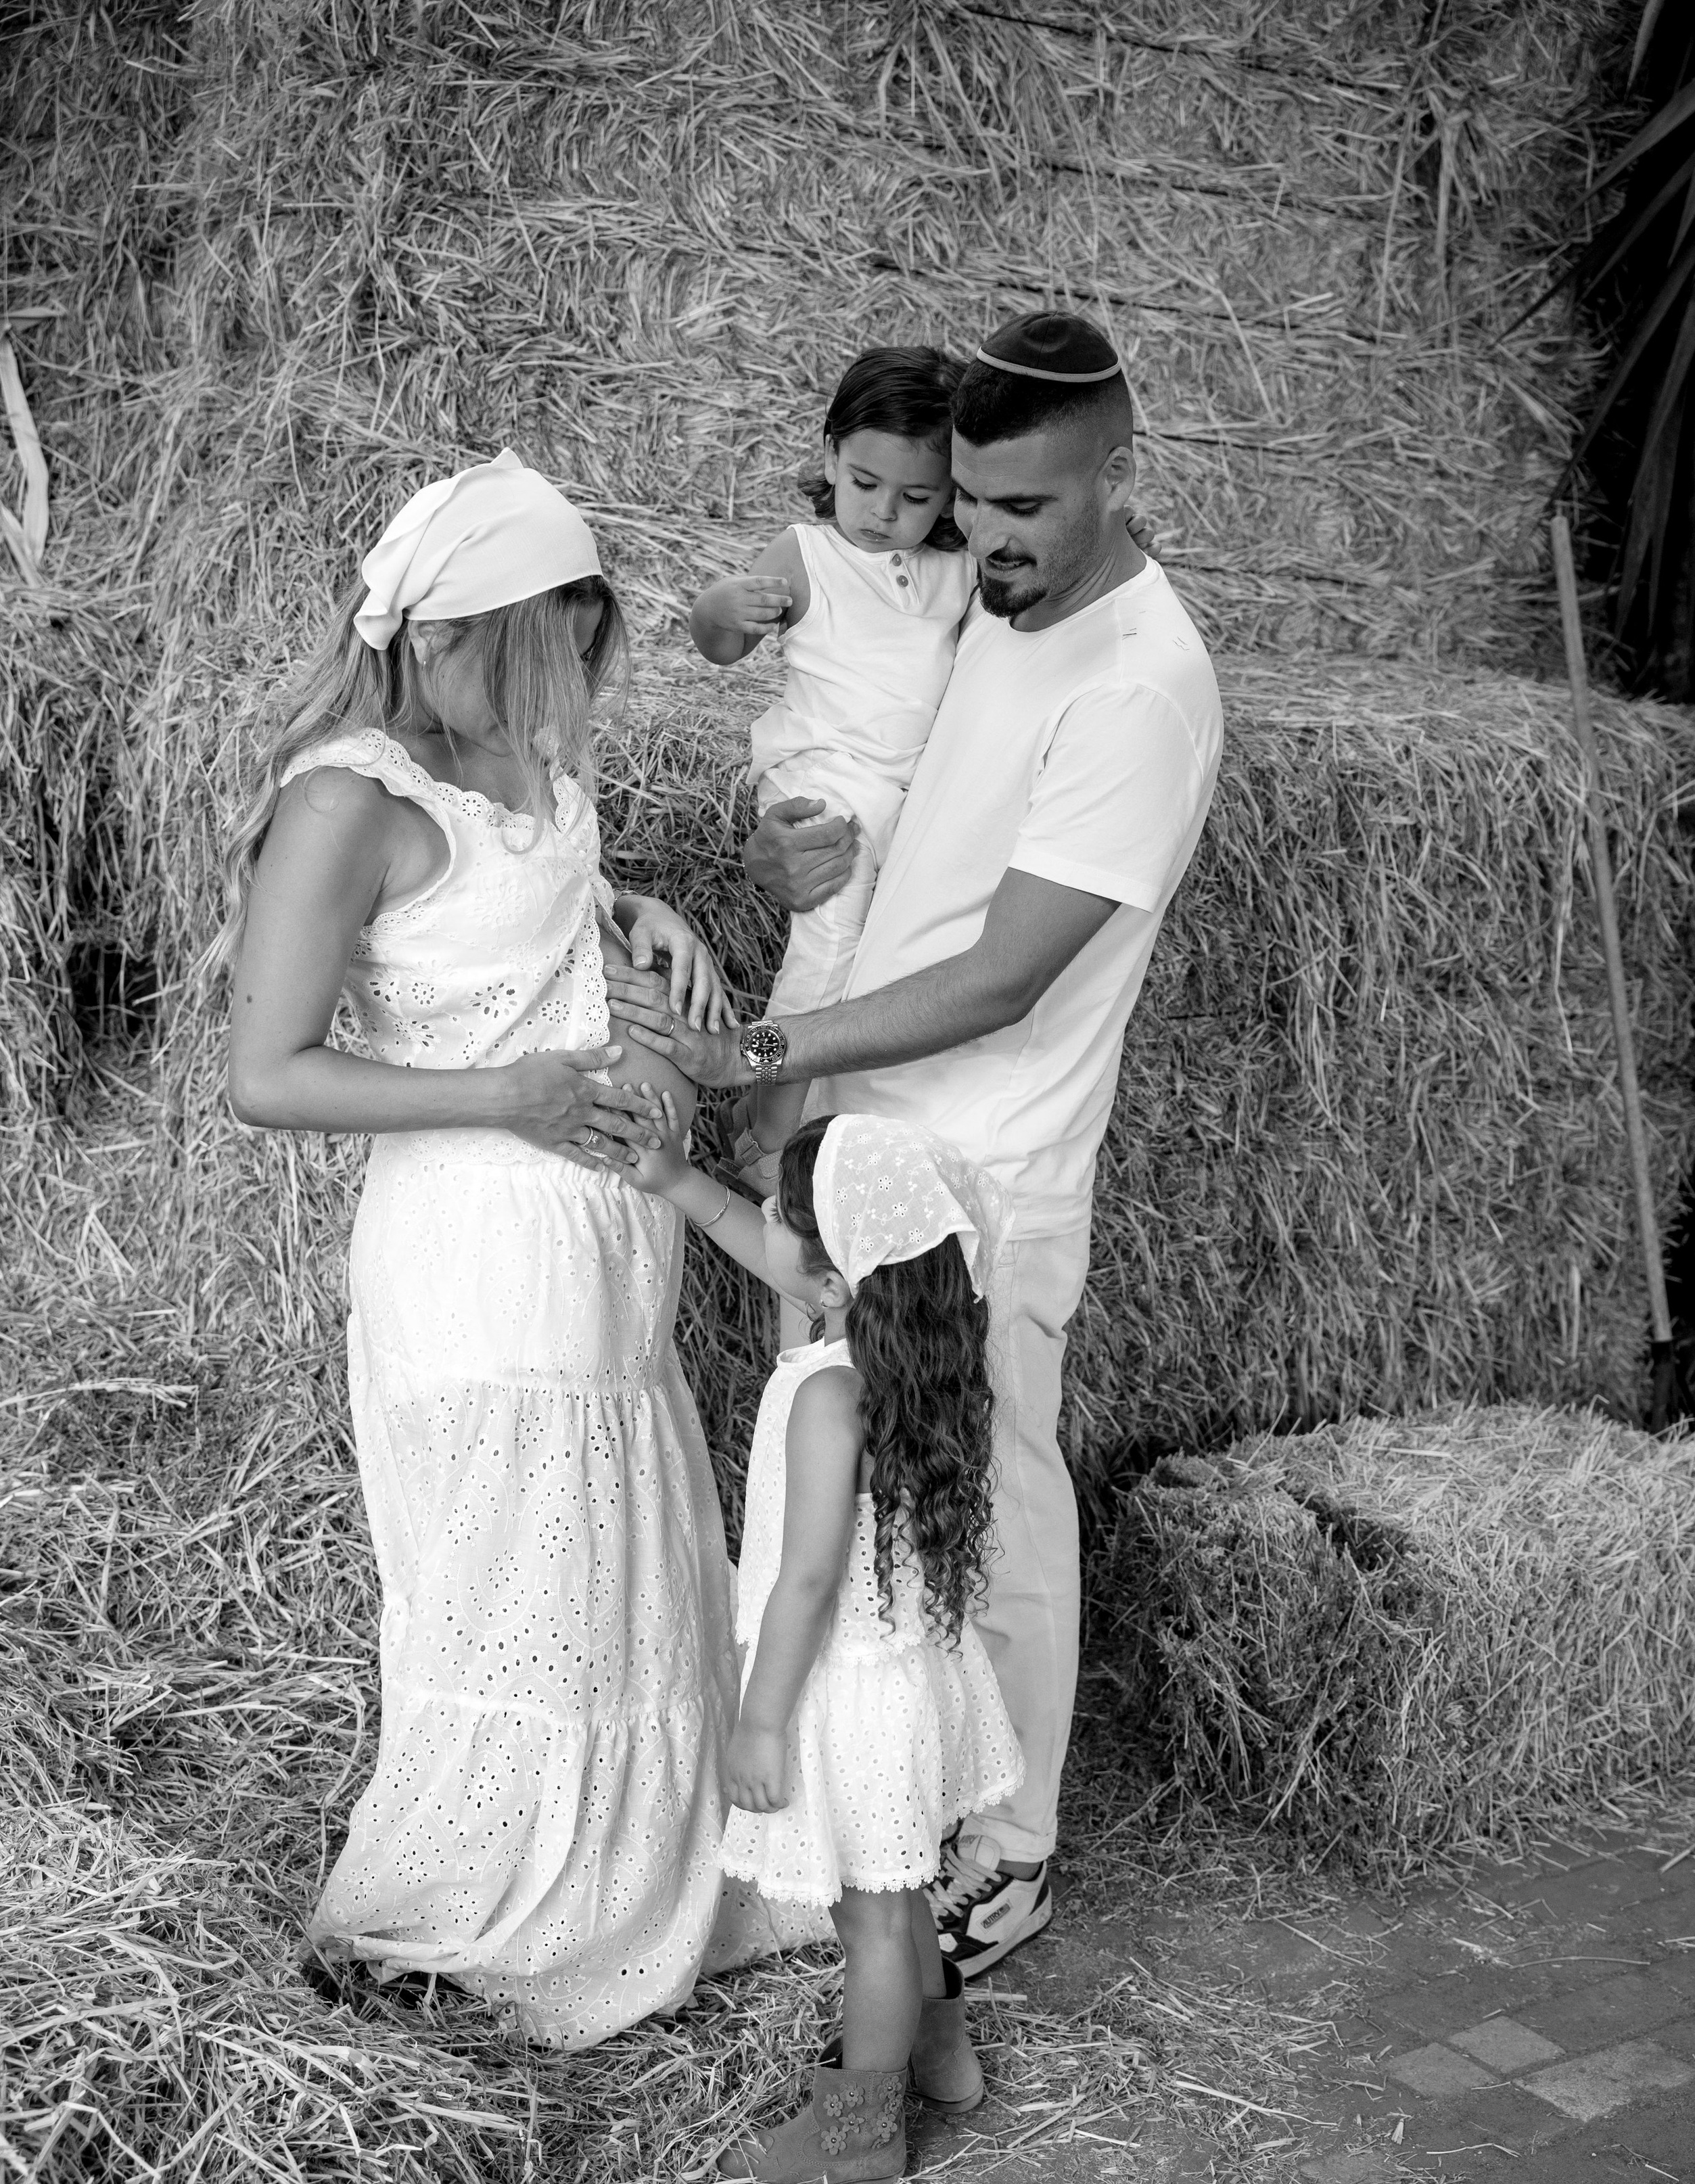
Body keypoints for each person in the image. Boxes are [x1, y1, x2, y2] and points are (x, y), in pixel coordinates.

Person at [612, 312, 1224, 1980]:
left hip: (994, 1169)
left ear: (1117, 473)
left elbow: (1006, 972)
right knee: (864, 1502)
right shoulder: (993, 602)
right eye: (966, 500)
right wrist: (780, 840)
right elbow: (861, 756)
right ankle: (885, 1803)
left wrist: (758, 1049)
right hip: (877, 1142)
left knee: (997, 1499)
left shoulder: (1139, 687)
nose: (987, 536)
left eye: (1023, 504)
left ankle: (1012, 1854)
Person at [218, 448, 743, 2046]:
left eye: (581, 657)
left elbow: (505, 919)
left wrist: (637, 913)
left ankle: (608, 1882)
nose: (563, 695)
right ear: (441, 638)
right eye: (539, 656)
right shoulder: (348, 801)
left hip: (597, 1258)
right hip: (475, 1258)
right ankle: (468, 1916)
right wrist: (503, 1094)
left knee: (604, 1591)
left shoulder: (524, 770)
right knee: (510, 1590)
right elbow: (266, 1071)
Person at [613, 1105, 1023, 2184]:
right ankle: (943, 2060)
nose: (769, 1232)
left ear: (838, 1281)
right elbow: (770, 1248)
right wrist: (673, 1178)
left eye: (793, 1223)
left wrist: (758, 1719)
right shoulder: (910, 1360)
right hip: (904, 1674)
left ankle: (859, 2136)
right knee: (902, 1894)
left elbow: (803, 1583)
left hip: (843, 1690)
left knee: (871, 1919)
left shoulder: (826, 1397)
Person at [687, 346, 972, 1202]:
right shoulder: (807, 555)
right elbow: (721, 648)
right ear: (827, 459)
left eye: (917, 497)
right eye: (864, 483)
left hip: (904, 796)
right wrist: (716, 611)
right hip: (823, 785)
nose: (885, 513)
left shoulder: (955, 574)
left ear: (954, 495)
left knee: (889, 968)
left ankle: (805, 1106)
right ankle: (768, 1122)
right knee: (827, 950)